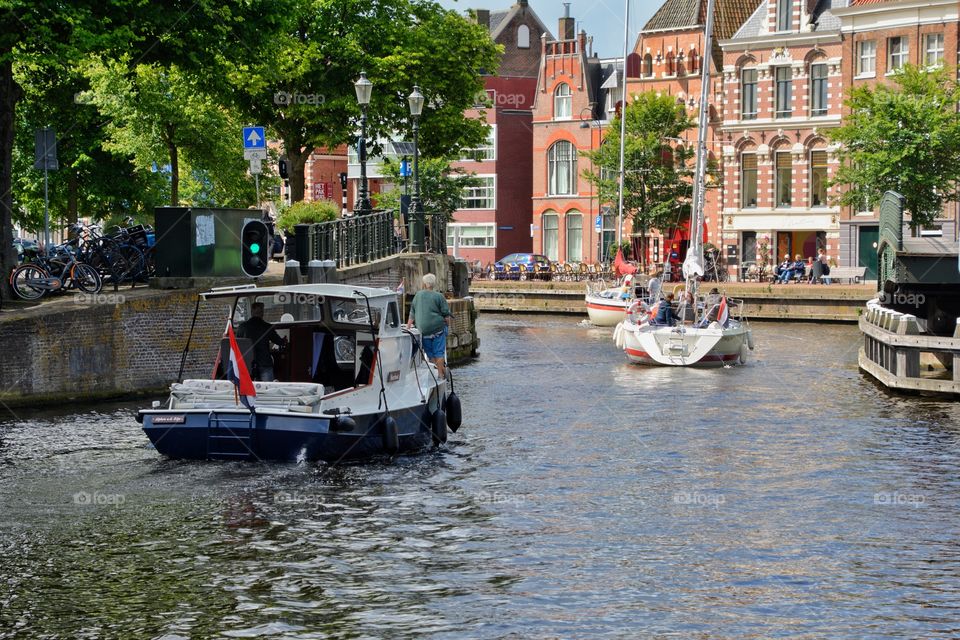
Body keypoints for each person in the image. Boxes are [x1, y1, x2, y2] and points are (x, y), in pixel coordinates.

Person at [407, 273, 453, 378]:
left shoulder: (418, 295)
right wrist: (448, 327)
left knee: (430, 353)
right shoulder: (439, 296)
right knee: (439, 352)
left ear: (424, 284)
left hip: (424, 330)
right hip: (437, 329)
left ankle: (436, 370)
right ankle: (441, 374)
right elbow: (446, 315)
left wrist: (408, 327)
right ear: (433, 284)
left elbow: (412, 312)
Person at [237, 302, 286, 381]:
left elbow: (238, 344)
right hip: (264, 362)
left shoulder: (242, 327)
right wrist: (283, 340)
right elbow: (279, 342)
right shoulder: (267, 327)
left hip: (247, 364)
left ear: (252, 312)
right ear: (262, 313)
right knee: (267, 388)